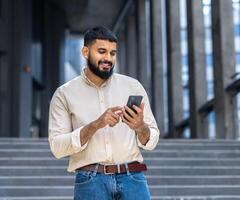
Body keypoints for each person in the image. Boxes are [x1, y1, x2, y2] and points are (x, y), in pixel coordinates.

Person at [48, 26, 160, 200]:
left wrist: (140, 127)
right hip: (90, 181)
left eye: (112, 53)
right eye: (101, 51)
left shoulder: (133, 86)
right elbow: (57, 147)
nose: (108, 58)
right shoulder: (64, 94)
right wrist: (95, 125)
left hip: (133, 178)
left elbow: (152, 141)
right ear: (85, 51)